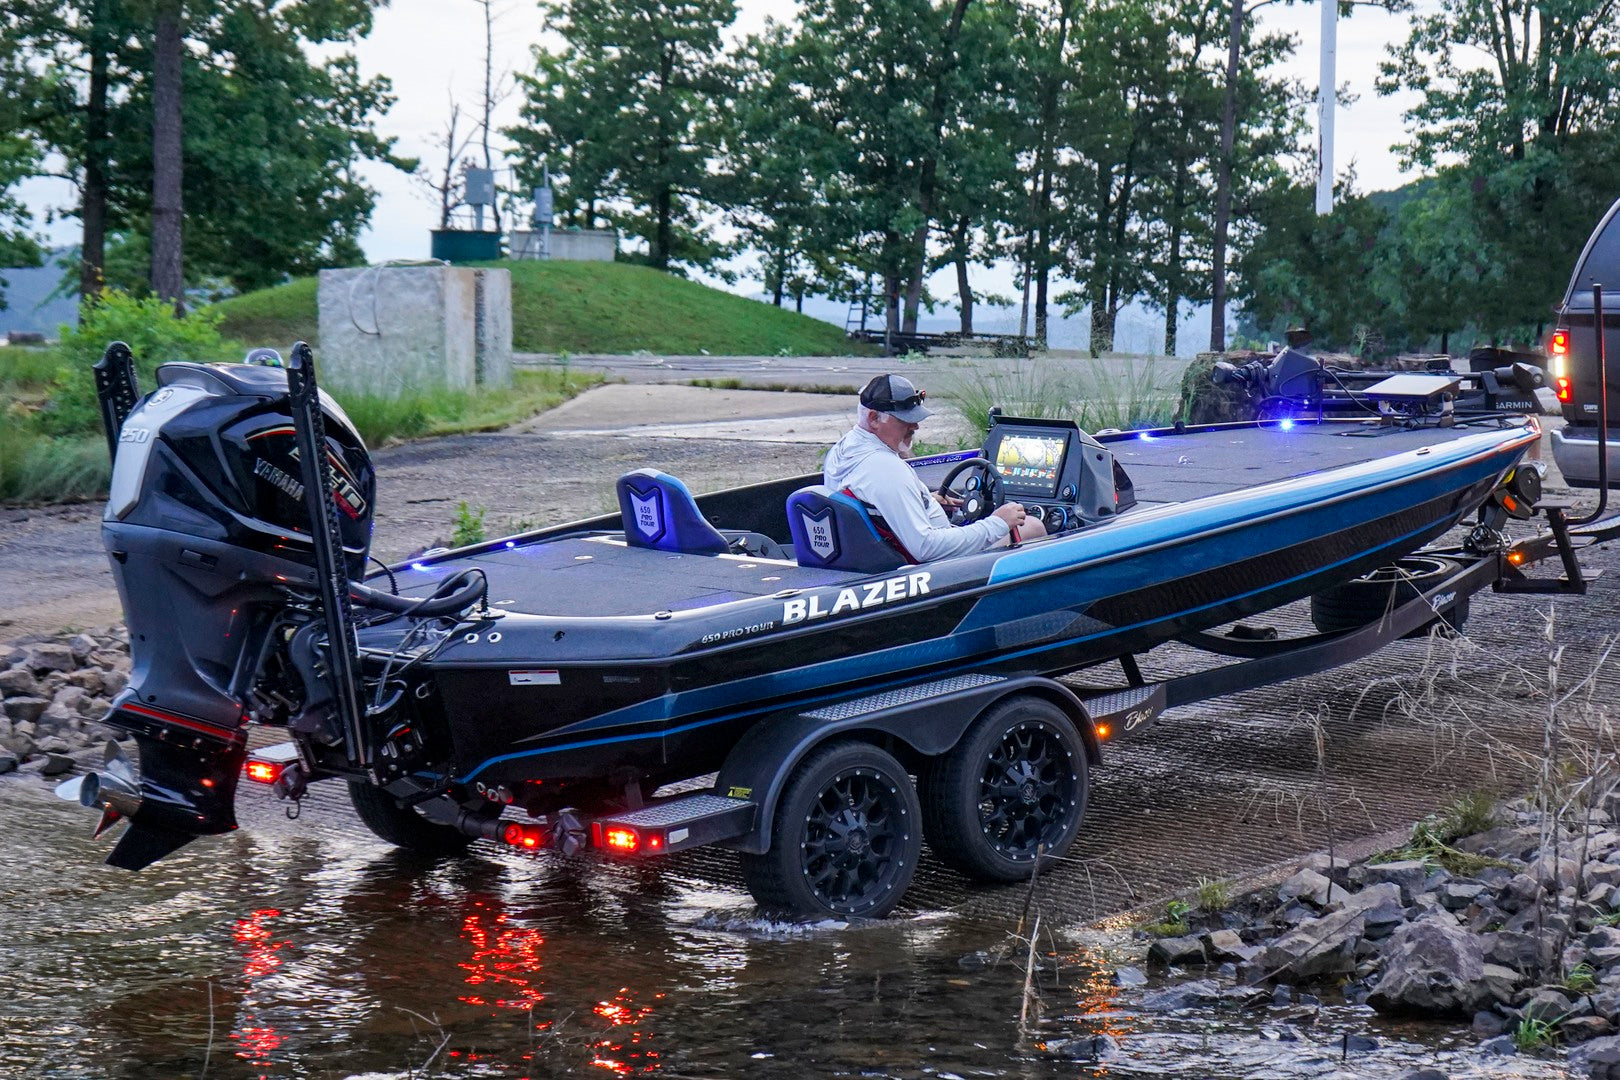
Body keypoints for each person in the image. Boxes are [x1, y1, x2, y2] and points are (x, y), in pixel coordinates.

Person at [823, 374, 1046, 562]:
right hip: (934, 566)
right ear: (873, 418)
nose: (916, 425)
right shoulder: (883, 469)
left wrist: (923, 502)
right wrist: (997, 523)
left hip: (875, 553)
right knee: (1033, 526)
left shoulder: (843, 450)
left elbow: (875, 501)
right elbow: (926, 548)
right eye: (905, 419)